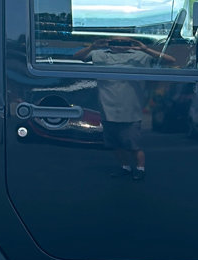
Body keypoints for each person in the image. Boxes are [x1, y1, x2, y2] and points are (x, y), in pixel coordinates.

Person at [73, 36, 177, 179]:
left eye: (124, 42)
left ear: (131, 43)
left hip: (131, 109)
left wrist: (145, 48)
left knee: (133, 143)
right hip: (107, 108)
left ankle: (140, 169)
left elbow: (171, 61)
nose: (119, 45)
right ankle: (125, 167)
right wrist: (93, 46)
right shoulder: (99, 54)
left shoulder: (141, 56)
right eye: (115, 42)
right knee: (114, 143)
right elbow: (77, 57)